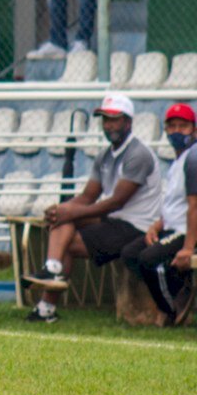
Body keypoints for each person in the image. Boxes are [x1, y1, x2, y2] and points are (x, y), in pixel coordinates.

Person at [23, 94, 161, 323]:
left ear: (128, 122)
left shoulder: (139, 154)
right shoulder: (104, 157)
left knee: (67, 232)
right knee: (62, 218)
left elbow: (117, 201)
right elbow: (88, 196)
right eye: (105, 120)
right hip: (115, 221)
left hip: (137, 227)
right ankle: (52, 270)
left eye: (114, 120)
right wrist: (60, 209)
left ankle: (47, 301)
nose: (108, 125)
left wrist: (71, 212)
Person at [122, 104, 197, 325]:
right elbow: (175, 204)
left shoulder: (193, 159)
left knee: (148, 259)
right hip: (171, 226)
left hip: (187, 231)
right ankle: (176, 285)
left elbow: (195, 206)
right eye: (171, 126)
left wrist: (188, 248)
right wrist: (156, 225)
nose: (176, 131)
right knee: (130, 253)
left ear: (194, 129)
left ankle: (172, 309)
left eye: (183, 126)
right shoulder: (178, 161)